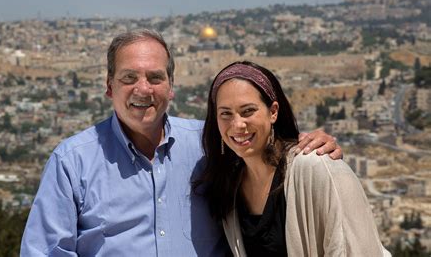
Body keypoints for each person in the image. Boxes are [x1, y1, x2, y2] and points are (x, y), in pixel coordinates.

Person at [21, 30, 342, 256]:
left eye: (155, 78)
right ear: (109, 87)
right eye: (129, 78)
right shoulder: (72, 162)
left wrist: (305, 144)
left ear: (171, 88)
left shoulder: (212, 144)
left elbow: (261, 149)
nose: (143, 90)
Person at [196, 61, 391, 257]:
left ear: (273, 112)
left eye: (248, 111)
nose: (237, 124)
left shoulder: (317, 166)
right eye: (225, 114)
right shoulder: (229, 186)